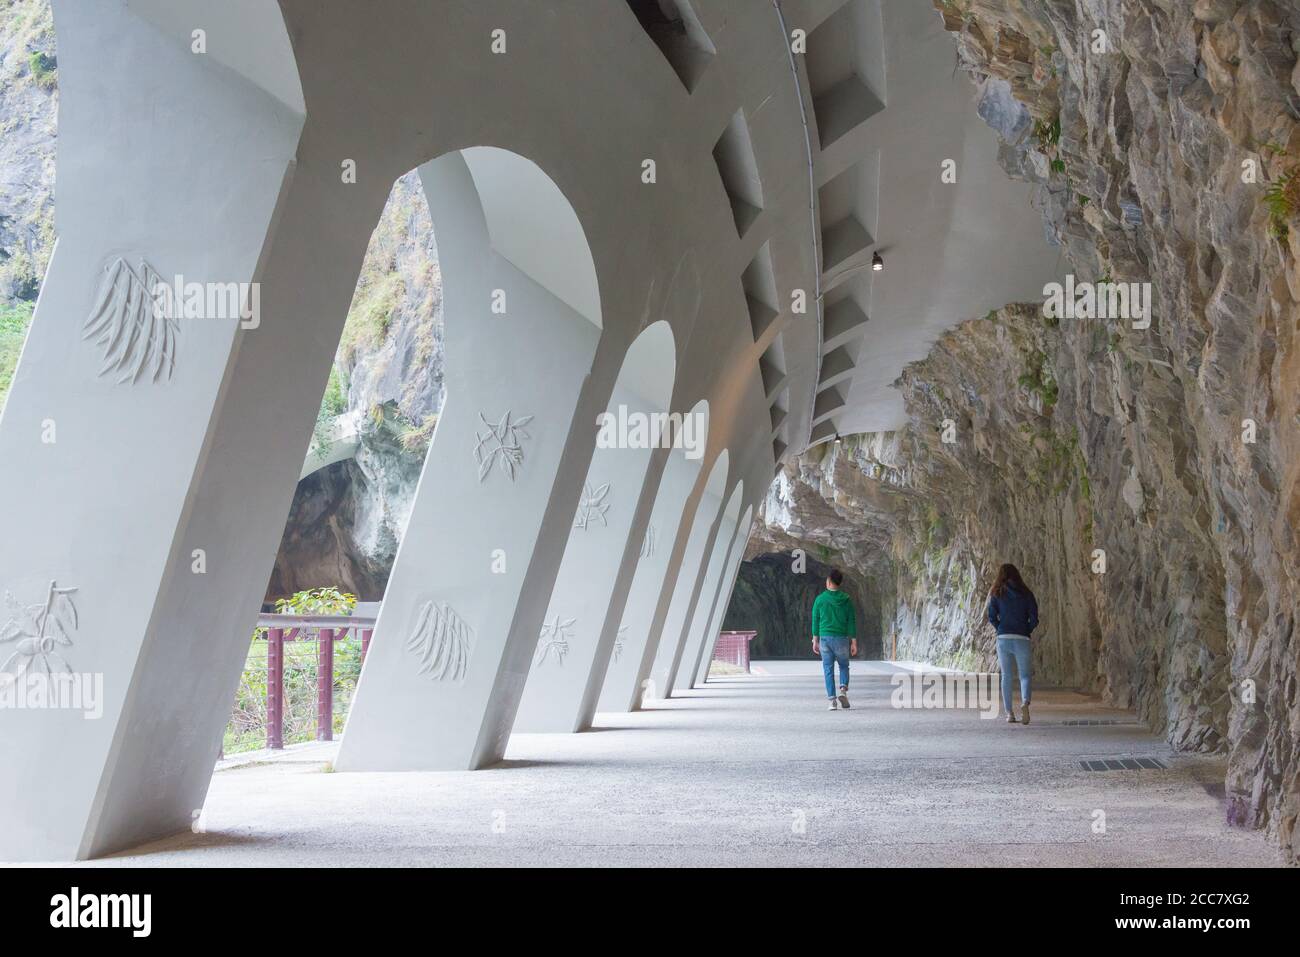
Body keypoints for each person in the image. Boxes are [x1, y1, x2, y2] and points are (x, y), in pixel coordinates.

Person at [986, 563, 1038, 724]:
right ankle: (1024, 702)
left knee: (1006, 676)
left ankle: (1009, 713)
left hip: (1003, 638)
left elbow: (991, 616)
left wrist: (1000, 628)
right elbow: (1034, 618)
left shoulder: (997, 593)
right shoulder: (1027, 593)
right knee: (1025, 675)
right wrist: (1026, 629)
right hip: (1022, 638)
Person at [811, 569, 857, 710]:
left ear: (829, 581)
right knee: (843, 665)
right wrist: (853, 641)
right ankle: (843, 690)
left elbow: (815, 620)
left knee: (828, 669)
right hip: (842, 639)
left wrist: (815, 639)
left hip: (825, 639)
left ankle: (832, 701)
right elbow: (851, 621)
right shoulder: (846, 600)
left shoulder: (820, 599)